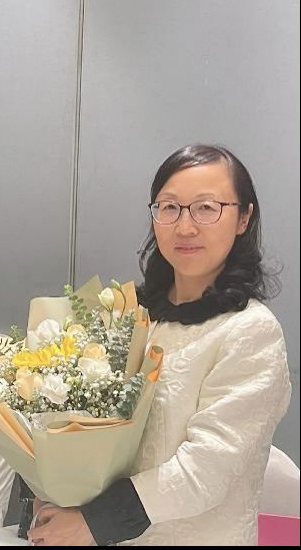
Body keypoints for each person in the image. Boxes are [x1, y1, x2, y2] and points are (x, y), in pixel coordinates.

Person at [29, 144, 291, 546]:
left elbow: (206, 469)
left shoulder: (251, 331)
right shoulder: (129, 315)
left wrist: (93, 523)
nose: (185, 227)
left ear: (244, 217)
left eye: (206, 208)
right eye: (169, 207)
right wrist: (55, 486)